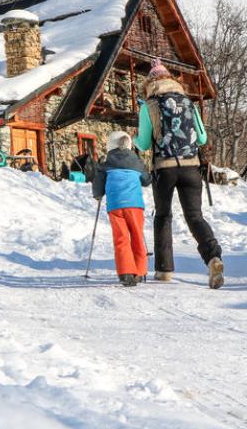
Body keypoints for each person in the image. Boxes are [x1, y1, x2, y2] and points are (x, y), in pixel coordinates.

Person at [134, 59, 224, 289]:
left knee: (163, 216)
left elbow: (144, 144)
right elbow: (202, 138)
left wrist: (134, 138)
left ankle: (164, 270)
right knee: (194, 216)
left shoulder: (149, 105)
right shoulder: (189, 103)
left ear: (150, 83)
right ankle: (213, 257)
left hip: (164, 168)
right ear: (171, 81)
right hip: (191, 167)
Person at [92, 131, 152, 286]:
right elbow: (146, 181)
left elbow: (98, 181)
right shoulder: (137, 162)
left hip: (116, 206)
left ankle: (126, 273)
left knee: (121, 239)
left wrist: (98, 194)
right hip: (135, 206)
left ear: (110, 145)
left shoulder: (106, 164)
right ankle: (139, 271)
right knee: (137, 237)